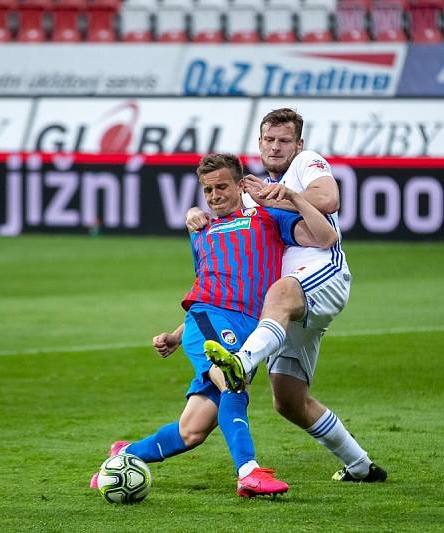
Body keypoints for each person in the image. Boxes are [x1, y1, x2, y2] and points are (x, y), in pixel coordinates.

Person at [90, 153, 338, 498]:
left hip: (247, 329)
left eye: (222, 187)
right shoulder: (201, 230)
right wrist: (183, 333)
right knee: (232, 381)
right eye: (208, 190)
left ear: (240, 185)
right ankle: (248, 472)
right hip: (211, 322)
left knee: (191, 431)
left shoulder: (266, 217)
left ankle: (123, 456)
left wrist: (292, 197)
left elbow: (326, 238)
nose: (214, 196)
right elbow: (206, 294)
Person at [187, 108, 387, 483]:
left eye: (284, 140)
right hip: (283, 309)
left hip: (320, 273)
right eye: (269, 140)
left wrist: (287, 195)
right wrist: (194, 214)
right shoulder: (253, 192)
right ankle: (361, 466)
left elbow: (328, 199)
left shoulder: (305, 165)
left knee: (279, 292)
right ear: (259, 143)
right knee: (289, 401)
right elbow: (223, 233)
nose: (276, 147)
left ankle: (241, 364)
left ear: (299, 144)